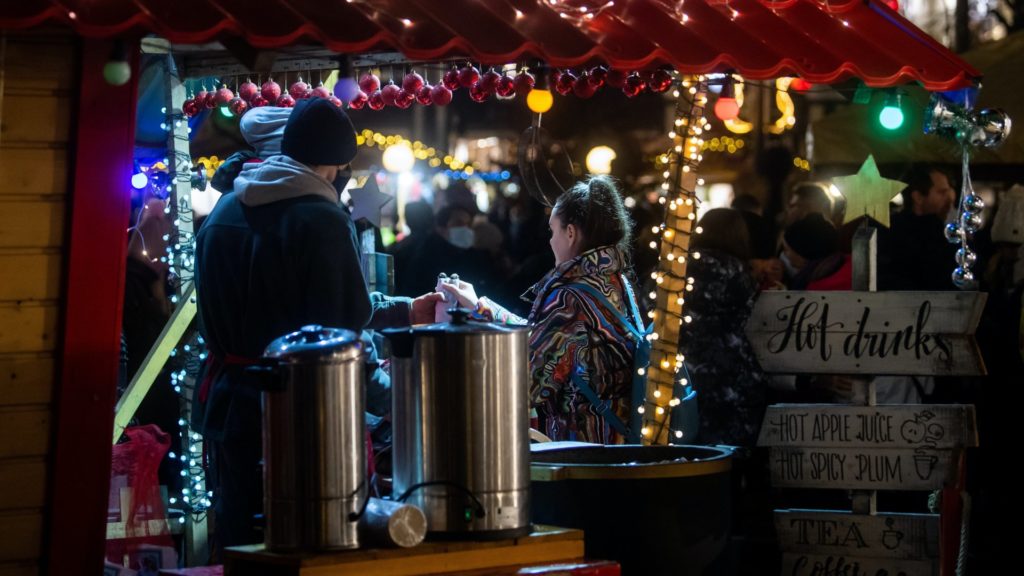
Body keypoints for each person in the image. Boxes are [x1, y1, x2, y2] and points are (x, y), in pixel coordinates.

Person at [194, 99, 440, 549]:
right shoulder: (322, 219)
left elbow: (285, 297)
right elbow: (340, 332)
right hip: (305, 416)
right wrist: (393, 400)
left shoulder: (226, 208)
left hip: (228, 410)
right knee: (309, 542)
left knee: (240, 538)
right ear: (338, 161)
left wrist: (404, 310)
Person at [440, 176, 642, 443]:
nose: (550, 241)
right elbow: (548, 340)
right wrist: (480, 306)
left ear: (570, 233)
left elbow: (528, 384)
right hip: (622, 441)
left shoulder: (570, 299)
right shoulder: (616, 282)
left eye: (553, 230)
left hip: (586, 451)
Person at [679, 208, 767, 448]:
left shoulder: (673, 267)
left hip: (678, 374)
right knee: (726, 456)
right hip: (728, 375)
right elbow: (747, 314)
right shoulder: (735, 270)